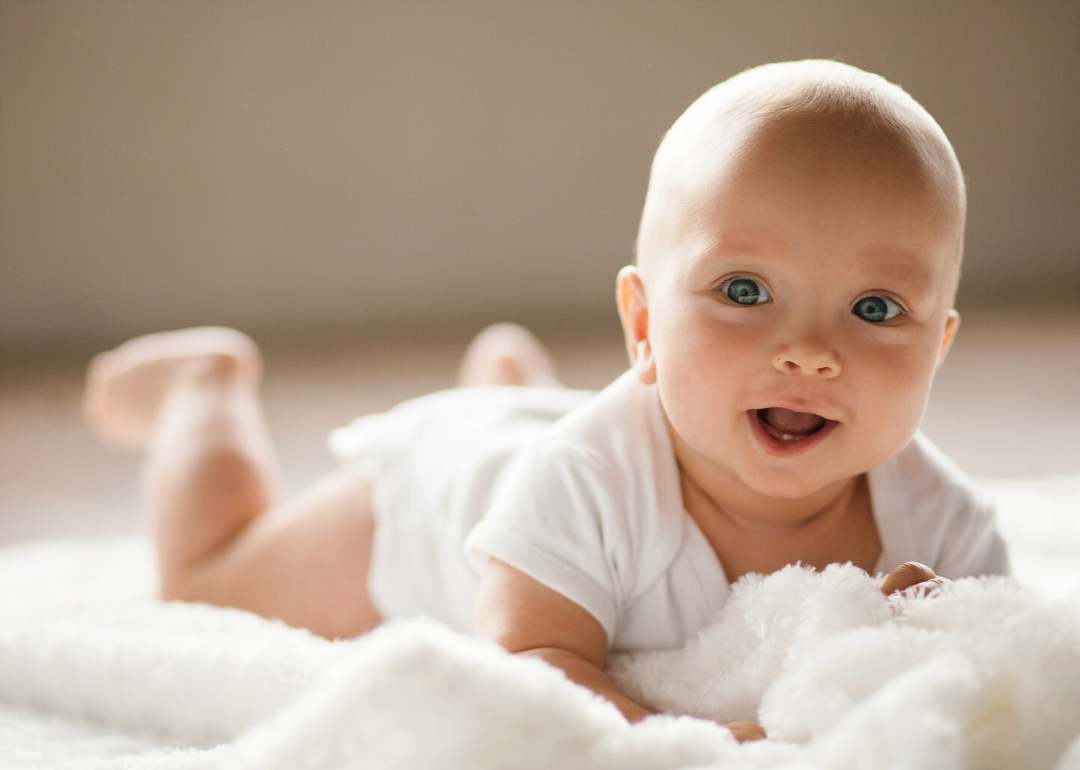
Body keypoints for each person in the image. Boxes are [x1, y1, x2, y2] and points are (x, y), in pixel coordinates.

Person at [82, 60, 1008, 743]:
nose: (808, 353)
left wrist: (929, 632)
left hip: (553, 444)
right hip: (433, 500)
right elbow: (526, 673)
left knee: (553, 452)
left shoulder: (943, 522)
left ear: (938, 347)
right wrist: (703, 747)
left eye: (876, 310)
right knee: (205, 579)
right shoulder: (586, 485)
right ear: (643, 328)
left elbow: (1000, 650)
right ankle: (202, 391)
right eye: (744, 291)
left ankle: (510, 387)